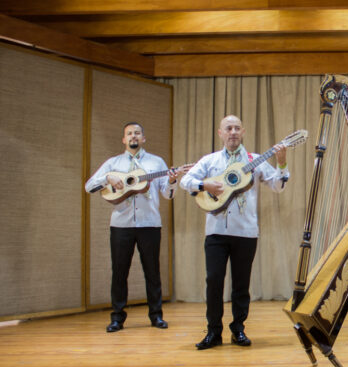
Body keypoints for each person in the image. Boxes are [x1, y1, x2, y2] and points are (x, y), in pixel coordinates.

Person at [180, 115, 289, 350]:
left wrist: (281, 163)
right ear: (220, 133)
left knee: (241, 284)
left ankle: (238, 329)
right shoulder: (210, 161)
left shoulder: (255, 160)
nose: (233, 132)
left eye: (237, 128)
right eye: (228, 128)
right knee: (214, 282)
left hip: (246, 233)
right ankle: (213, 332)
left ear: (243, 132)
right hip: (216, 232)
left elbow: (278, 187)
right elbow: (185, 181)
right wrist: (204, 185)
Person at [85, 122, 187, 333]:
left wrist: (172, 180)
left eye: (137, 133)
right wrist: (107, 177)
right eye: (129, 133)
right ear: (124, 139)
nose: (134, 136)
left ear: (143, 138)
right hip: (121, 225)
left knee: (152, 272)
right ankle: (117, 318)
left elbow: (167, 195)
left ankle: (156, 316)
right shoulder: (113, 163)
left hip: (149, 223)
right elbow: (89, 186)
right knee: (119, 272)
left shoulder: (156, 162)